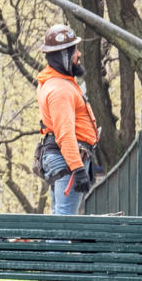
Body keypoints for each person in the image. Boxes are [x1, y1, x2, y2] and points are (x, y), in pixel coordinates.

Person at [36, 23, 99, 215]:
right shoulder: (60, 90)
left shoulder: (56, 82)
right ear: (63, 56)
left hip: (62, 157)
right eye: (74, 51)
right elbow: (65, 134)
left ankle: (56, 244)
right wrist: (78, 169)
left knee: (59, 218)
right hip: (66, 159)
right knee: (64, 221)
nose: (78, 55)